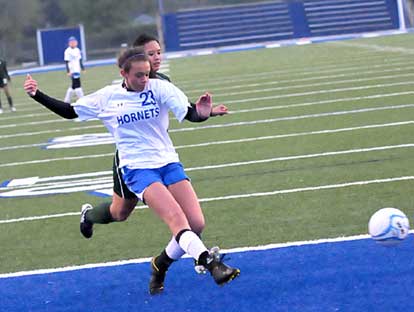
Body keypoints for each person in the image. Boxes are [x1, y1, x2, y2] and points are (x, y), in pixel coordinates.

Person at [24, 48, 240, 294]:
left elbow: (190, 113)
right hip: (137, 168)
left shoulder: (159, 88)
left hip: (168, 162)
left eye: (147, 74)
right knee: (176, 220)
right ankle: (211, 264)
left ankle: (160, 265)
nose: (145, 79)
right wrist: (37, 95)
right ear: (123, 74)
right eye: (139, 75)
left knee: (196, 223)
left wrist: (202, 114)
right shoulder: (108, 97)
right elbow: (70, 112)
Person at [78, 34, 229, 294]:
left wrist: (206, 113)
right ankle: (89, 216)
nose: (156, 58)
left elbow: (186, 108)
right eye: (151, 54)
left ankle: (170, 260)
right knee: (120, 213)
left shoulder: (161, 83)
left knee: (193, 222)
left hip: (163, 158)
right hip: (132, 162)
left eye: (159, 52)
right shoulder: (119, 92)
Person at [64, 36, 85, 103]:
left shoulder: (77, 50)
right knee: (77, 84)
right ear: (69, 43)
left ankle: (67, 100)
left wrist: (82, 68)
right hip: (72, 70)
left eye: (74, 42)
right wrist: (68, 71)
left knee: (73, 85)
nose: (73, 43)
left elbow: (80, 60)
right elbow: (66, 61)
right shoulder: (67, 51)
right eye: (71, 42)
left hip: (77, 69)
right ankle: (82, 99)